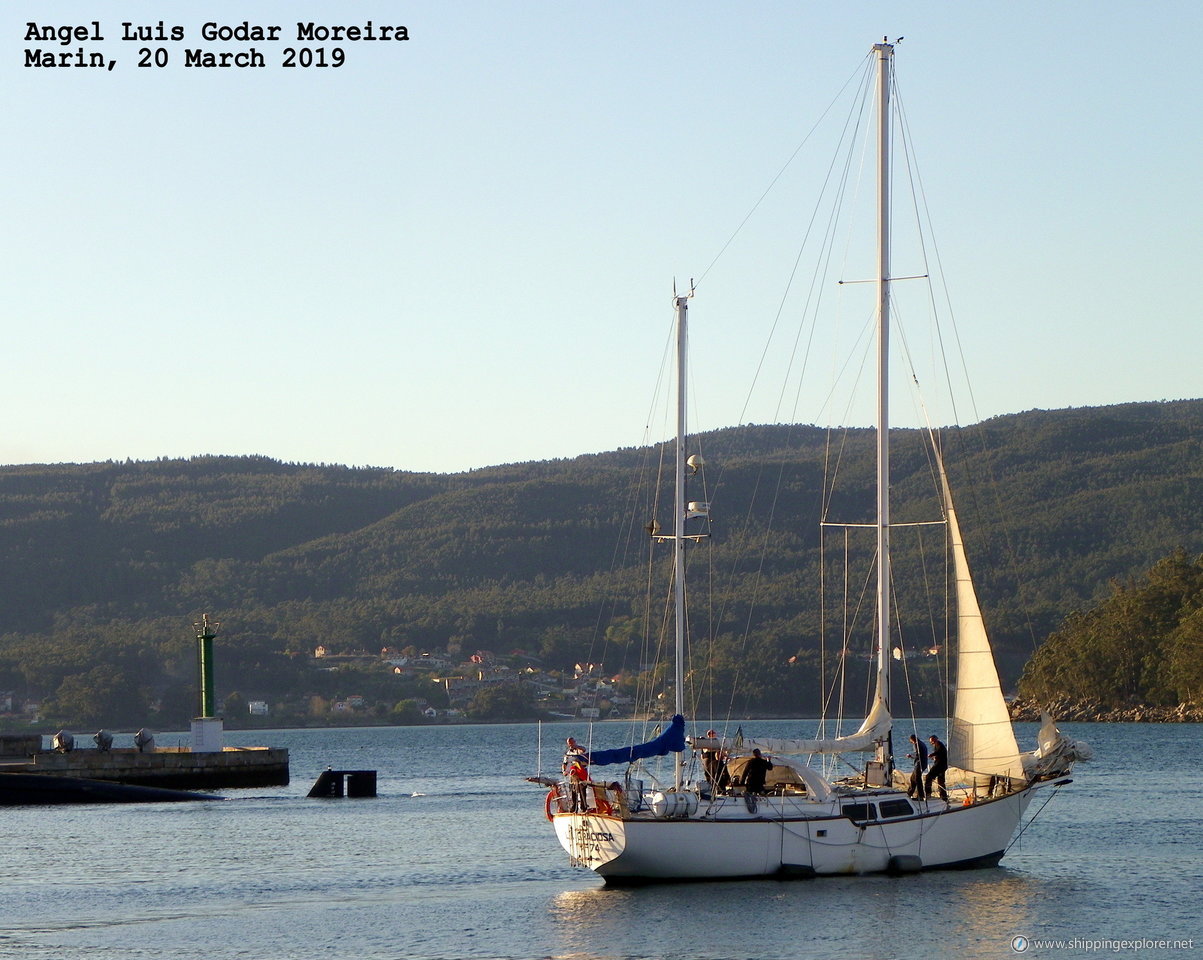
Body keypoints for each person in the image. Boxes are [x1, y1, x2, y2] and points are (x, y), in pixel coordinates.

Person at [562, 737, 590, 811]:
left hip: (581, 772)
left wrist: (576, 747)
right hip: (572, 774)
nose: (571, 745)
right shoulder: (568, 753)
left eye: (572, 743)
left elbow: (584, 750)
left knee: (582, 790)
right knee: (573, 791)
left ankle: (584, 807)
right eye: (569, 743)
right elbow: (565, 763)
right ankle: (574, 807)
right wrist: (564, 771)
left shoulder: (579, 750)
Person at [700, 729, 730, 793]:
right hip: (710, 760)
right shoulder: (710, 743)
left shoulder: (706, 743)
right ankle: (717, 788)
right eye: (713, 734)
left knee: (711, 774)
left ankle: (713, 787)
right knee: (714, 773)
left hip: (709, 760)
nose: (714, 735)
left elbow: (702, 755)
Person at [925, 734, 949, 801]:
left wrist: (932, 754)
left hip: (940, 766)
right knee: (941, 781)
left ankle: (928, 794)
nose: (931, 743)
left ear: (936, 739)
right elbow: (939, 754)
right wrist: (934, 757)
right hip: (942, 765)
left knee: (928, 777)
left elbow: (938, 751)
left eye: (932, 741)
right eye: (931, 742)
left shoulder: (939, 745)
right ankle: (944, 797)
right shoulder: (937, 745)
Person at [906, 734, 928, 800]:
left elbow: (917, 755)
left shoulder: (916, 744)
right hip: (923, 763)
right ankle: (910, 793)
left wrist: (910, 756)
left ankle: (920, 796)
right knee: (913, 778)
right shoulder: (922, 743)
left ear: (912, 739)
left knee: (917, 779)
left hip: (919, 764)